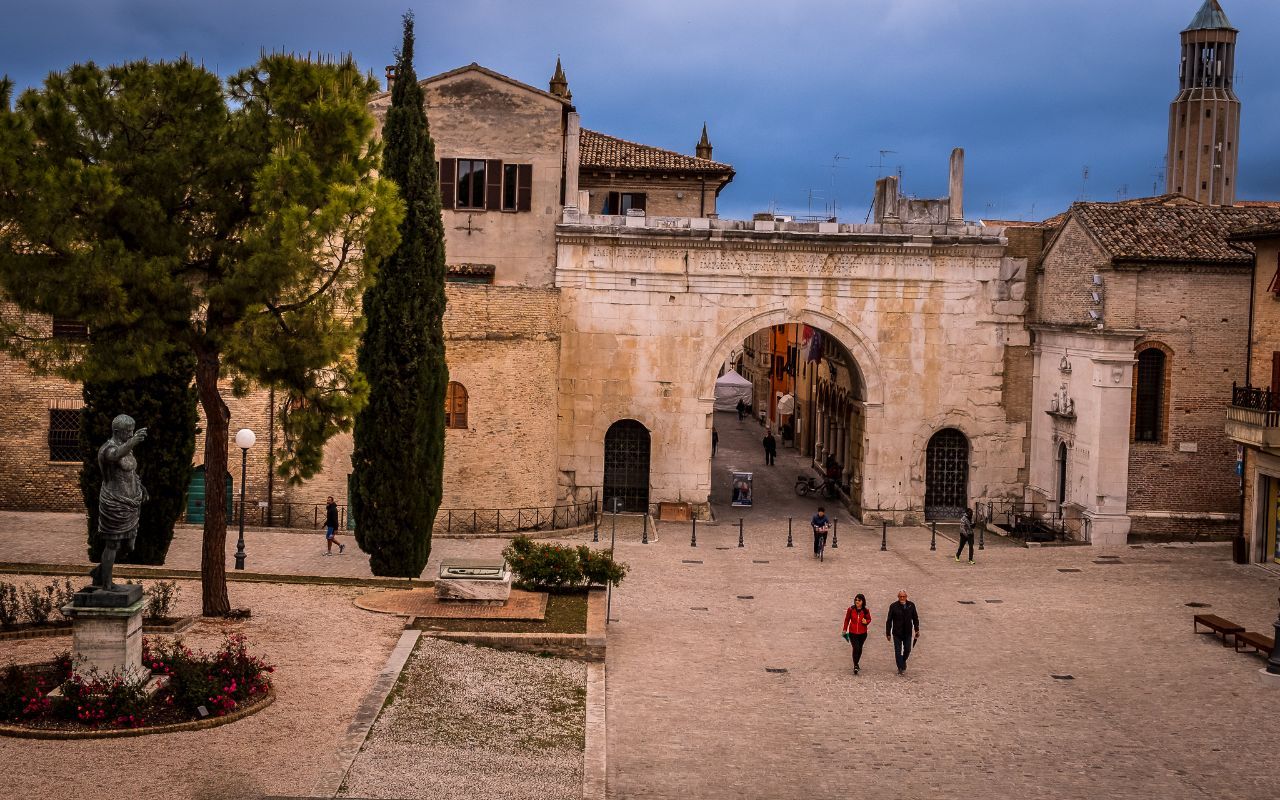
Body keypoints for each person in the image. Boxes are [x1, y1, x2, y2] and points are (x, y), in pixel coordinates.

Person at [92, 415, 149, 590]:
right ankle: (106, 584)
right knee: (113, 543)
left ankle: (100, 572)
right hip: (114, 502)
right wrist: (133, 442)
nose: (131, 434)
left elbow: (130, 474)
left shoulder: (127, 449)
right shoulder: (107, 449)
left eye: (133, 431)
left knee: (129, 545)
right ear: (117, 431)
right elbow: (115, 456)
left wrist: (141, 488)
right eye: (128, 432)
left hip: (131, 503)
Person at [885, 590, 920, 675]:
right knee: (897, 651)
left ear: (906, 597)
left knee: (907, 649)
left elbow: (915, 618)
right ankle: (900, 667)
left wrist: (916, 629)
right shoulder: (893, 606)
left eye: (903, 596)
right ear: (898, 597)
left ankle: (903, 660)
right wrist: (888, 633)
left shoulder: (911, 605)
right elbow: (889, 620)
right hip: (897, 633)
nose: (902, 598)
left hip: (907, 632)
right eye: (900, 596)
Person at [842, 593, 872, 675]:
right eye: (856, 600)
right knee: (856, 648)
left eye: (859, 600)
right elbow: (847, 619)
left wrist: (866, 622)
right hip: (853, 633)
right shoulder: (851, 609)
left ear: (863, 601)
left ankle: (857, 663)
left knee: (860, 648)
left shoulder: (865, 610)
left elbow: (869, 619)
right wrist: (844, 629)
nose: (857, 601)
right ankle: (855, 665)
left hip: (863, 633)